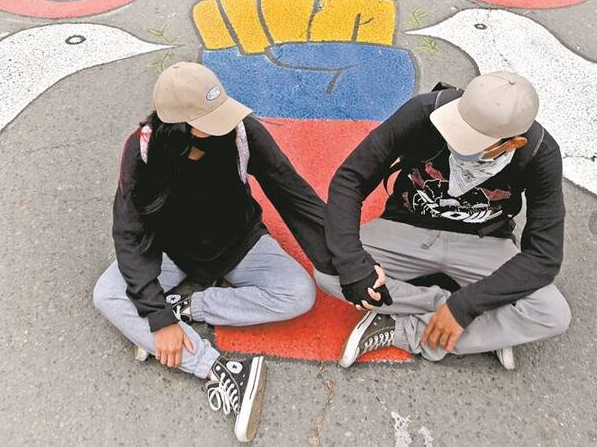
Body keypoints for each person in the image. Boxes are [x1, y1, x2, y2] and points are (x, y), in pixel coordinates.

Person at [92, 62, 334, 443]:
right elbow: (129, 234)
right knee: (106, 294)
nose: (225, 121)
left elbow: (292, 192)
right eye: (210, 117)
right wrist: (158, 318)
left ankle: (187, 308)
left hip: (239, 243)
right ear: (179, 126)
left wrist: (348, 262)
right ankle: (220, 369)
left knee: (299, 293)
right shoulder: (142, 151)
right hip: (169, 252)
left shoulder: (240, 131)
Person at [315, 71, 571, 370]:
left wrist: (465, 306)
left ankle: (403, 329)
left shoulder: (540, 153)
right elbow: (350, 178)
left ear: (512, 144)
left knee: (552, 314)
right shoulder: (425, 111)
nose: (454, 141)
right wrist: (354, 266)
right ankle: (486, 324)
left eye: (470, 141)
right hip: (406, 227)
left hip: (484, 241)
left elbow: (544, 256)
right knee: (329, 270)